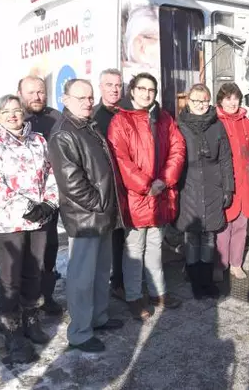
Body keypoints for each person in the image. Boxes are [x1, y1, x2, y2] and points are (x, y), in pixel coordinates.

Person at [0, 94, 58, 363]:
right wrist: (27, 206)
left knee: (35, 272)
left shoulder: (38, 141)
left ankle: (31, 320)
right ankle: (12, 331)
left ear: (24, 114)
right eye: (5, 112)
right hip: (7, 221)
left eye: (17, 110)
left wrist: (49, 203)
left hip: (39, 219)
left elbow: (51, 173)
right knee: (11, 278)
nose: (12, 115)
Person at [48, 79, 125, 353]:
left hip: (101, 214)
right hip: (85, 218)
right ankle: (80, 332)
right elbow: (72, 182)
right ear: (65, 99)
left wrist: (105, 205)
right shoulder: (64, 133)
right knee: (81, 278)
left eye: (90, 97)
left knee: (101, 271)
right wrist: (100, 202)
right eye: (80, 98)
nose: (87, 102)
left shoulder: (87, 126)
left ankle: (98, 317)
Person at [107, 73, 186, 320]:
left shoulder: (164, 118)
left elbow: (178, 148)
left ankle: (157, 292)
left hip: (161, 195)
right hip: (135, 198)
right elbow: (120, 159)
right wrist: (146, 185)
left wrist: (164, 180)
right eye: (141, 88)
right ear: (132, 91)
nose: (146, 93)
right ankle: (133, 296)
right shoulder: (120, 121)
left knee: (154, 247)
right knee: (134, 250)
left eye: (151, 89)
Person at [176, 84, 234, 298]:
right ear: (188, 101)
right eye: (196, 100)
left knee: (209, 236)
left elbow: (226, 159)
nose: (200, 104)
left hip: (213, 187)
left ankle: (207, 282)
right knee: (192, 237)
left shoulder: (217, 126)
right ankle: (195, 282)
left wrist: (228, 187)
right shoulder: (179, 125)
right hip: (188, 188)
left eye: (204, 100)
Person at [215, 83, 249, 280]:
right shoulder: (215, 121)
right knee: (223, 226)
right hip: (224, 182)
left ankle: (236, 264)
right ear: (220, 101)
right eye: (228, 98)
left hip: (244, 181)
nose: (232, 103)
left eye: (235, 98)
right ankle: (220, 264)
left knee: (241, 224)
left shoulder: (245, 122)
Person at [91, 69, 126, 300]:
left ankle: (123, 279)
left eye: (118, 85)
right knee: (111, 236)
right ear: (100, 87)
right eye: (109, 84)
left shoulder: (129, 112)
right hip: (106, 185)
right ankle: (113, 283)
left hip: (131, 183)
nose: (114, 89)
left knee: (126, 236)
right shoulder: (93, 117)